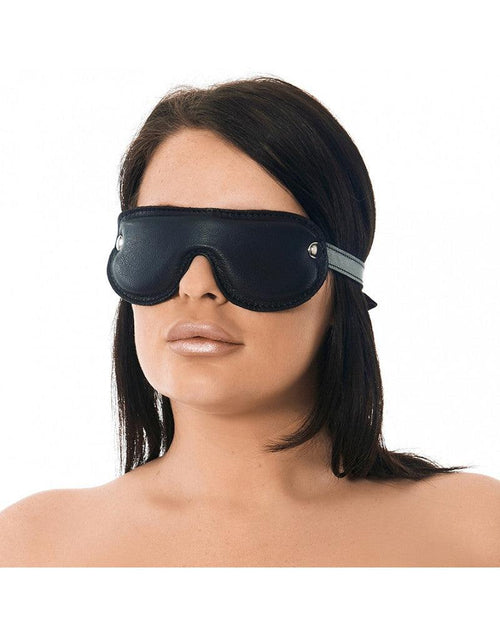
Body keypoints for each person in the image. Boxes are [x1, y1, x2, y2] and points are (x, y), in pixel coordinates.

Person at [1, 76, 499, 567]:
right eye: (159, 244)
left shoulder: (476, 531)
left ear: (339, 286)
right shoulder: (31, 548)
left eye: (256, 251)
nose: (196, 285)